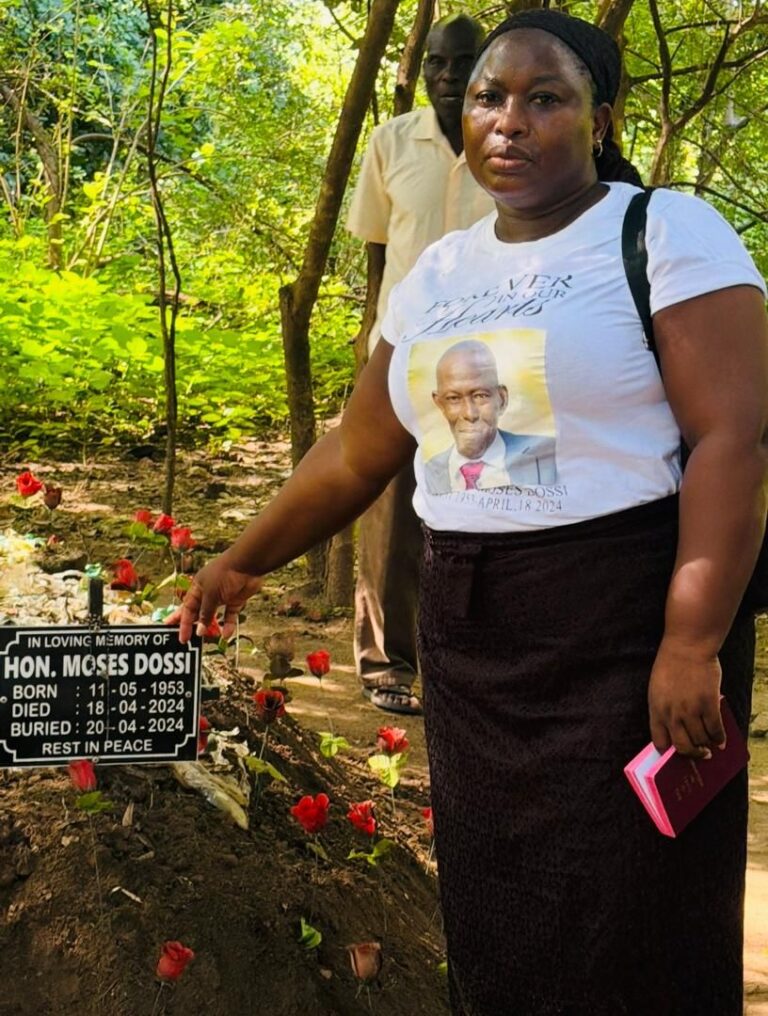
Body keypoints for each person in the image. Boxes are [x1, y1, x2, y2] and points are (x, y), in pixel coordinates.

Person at [172, 9, 768, 1014]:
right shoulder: (441, 273)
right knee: (501, 912)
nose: (508, 119)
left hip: (621, 627)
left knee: (633, 916)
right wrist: (244, 557)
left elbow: (733, 440)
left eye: (546, 98)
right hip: (475, 636)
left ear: (602, 117)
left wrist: (690, 639)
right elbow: (361, 449)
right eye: (490, 96)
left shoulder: (664, 232)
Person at [346, 13, 493, 714]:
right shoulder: (390, 142)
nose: (445, 76)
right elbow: (377, 247)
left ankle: (465, 663)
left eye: (460, 63)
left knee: (479, 501)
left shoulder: (504, 141)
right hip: (400, 352)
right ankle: (384, 662)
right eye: (435, 63)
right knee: (389, 506)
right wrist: (373, 340)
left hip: (487, 357)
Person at [425, 338, 556, 493]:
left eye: (480, 396)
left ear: (501, 399)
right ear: (440, 404)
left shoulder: (546, 455)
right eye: (454, 398)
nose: (469, 414)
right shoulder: (431, 470)